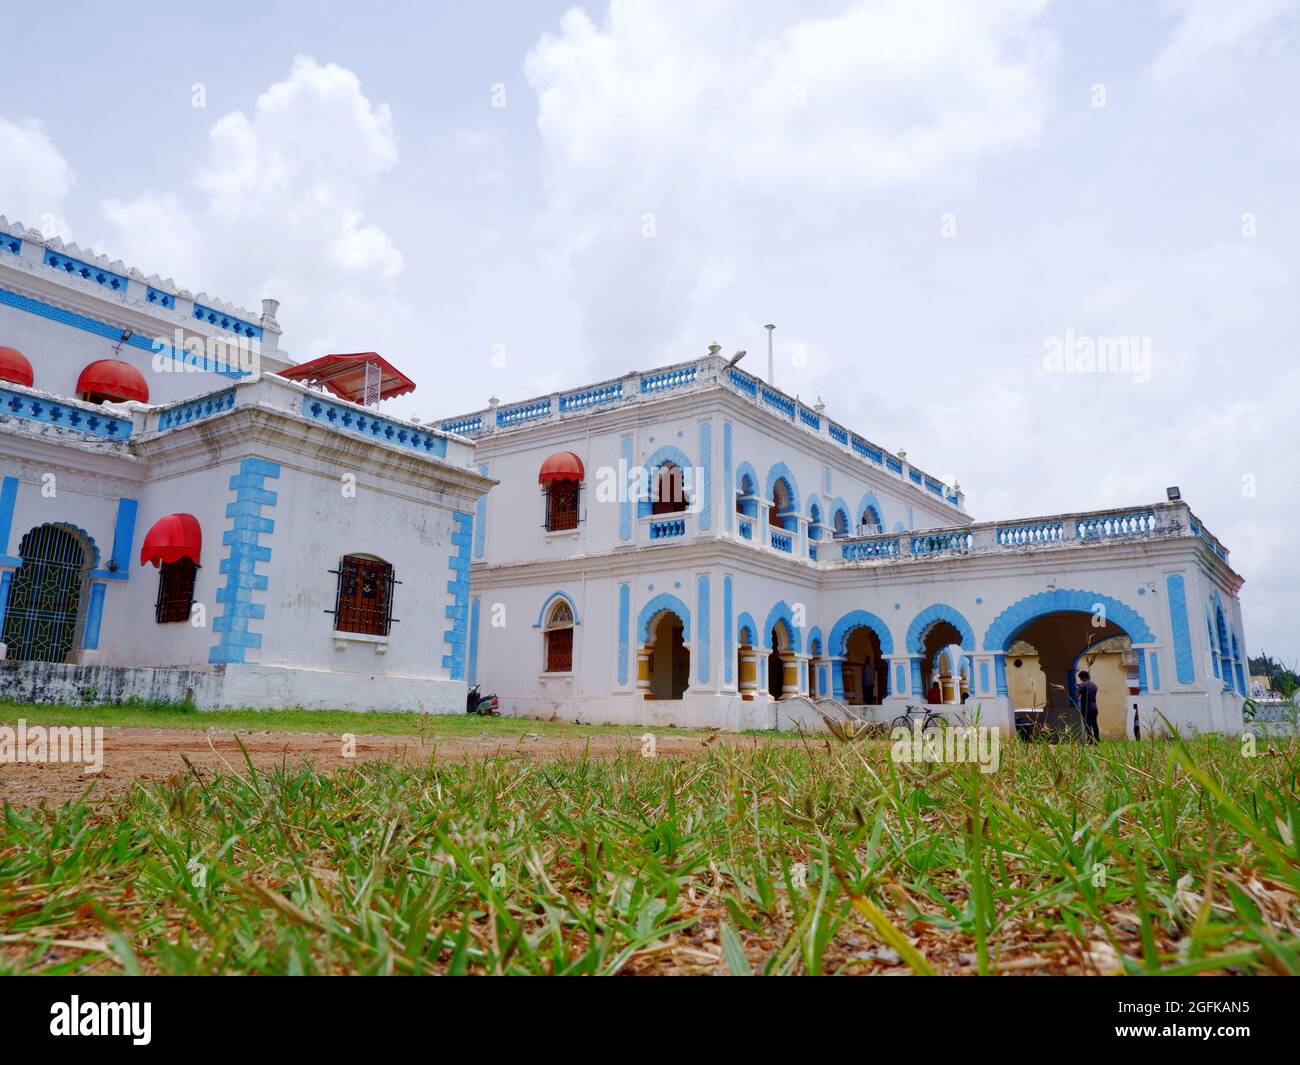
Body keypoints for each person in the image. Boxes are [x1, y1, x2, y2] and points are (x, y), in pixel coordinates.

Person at [1077, 670, 1100, 743]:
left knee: (1087, 725)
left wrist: (1078, 687)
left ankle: (1090, 740)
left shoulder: (1083, 685)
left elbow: (1077, 694)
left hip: (1086, 708)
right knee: (1094, 724)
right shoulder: (1094, 685)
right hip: (1094, 707)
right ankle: (1097, 739)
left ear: (1082, 677)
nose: (1080, 680)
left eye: (1080, 678)